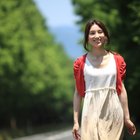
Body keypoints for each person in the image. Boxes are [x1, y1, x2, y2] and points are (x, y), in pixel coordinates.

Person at [72, 19, 136, 140]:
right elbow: (77, 93)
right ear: (87, 38)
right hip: (90, 114)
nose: (97, 36)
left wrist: (127, 118)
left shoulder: (117, 59)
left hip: (113, 113)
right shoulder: (81, 63)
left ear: (105, 36)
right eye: (92, 33)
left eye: (100, 32)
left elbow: (121, 90)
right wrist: (76, 122)